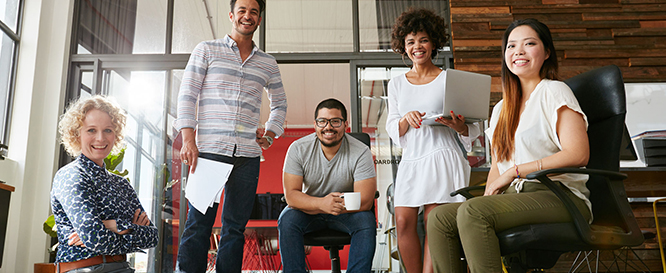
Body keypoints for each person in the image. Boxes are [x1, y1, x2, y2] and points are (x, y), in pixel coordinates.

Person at [426, 18, 591, 273]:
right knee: (439, 218)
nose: (519, 52)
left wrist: (515, 171)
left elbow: (578, 154)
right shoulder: (502, 108)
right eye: (511, 46)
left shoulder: (555, 91)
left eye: (529, 43)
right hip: (517, 196)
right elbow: (498, 165)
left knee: (473, 213)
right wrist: (488, 194)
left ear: (546, 52)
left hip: (559, 195)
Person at [173, 0, 287, 271]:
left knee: (235, 228)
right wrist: (189, 140)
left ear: (259, 19)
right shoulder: (207, 50)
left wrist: (270, 133)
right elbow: (187, 95)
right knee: (198, 223)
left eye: (254, 12)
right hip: (209, 151)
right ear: (232, 15)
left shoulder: (268, 64)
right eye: (242, 11)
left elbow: (280, 103)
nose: (248, 16)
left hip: (247, 156)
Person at [386, 8, 481, 273]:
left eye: (423, 40)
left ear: (434, 43)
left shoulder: (449, 79)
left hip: (443, 154)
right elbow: (393, 125)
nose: (418, 46)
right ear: (403, 47)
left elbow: (471, 126)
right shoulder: (396, 84)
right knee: (403, 221)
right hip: (413, 159)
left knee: (433, 224)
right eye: (411, 42)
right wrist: (406, 118)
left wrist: (458, 125)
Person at [51, 95, 159, 273]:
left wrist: (109, 225)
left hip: (123, 268)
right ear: (77, 134)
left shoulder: (121, 184)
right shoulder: (72, 176)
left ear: (116, 134)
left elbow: (152, 237)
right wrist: (128, 227)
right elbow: (95, 237)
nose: (100, 138)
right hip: (86, 269)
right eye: (91, 130)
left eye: (108, 130)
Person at [278, 98, 377, 273]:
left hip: (346, 213)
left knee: (366, 220)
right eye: (322, 121)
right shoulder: (298, 149)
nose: (328, 127)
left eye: (335, 121)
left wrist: (333, 205)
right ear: (315, 124)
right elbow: (291, 196)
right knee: (287, 219)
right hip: (309, 212)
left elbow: (366, 201)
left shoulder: (361, 151)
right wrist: (321, 204)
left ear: (345, 125)